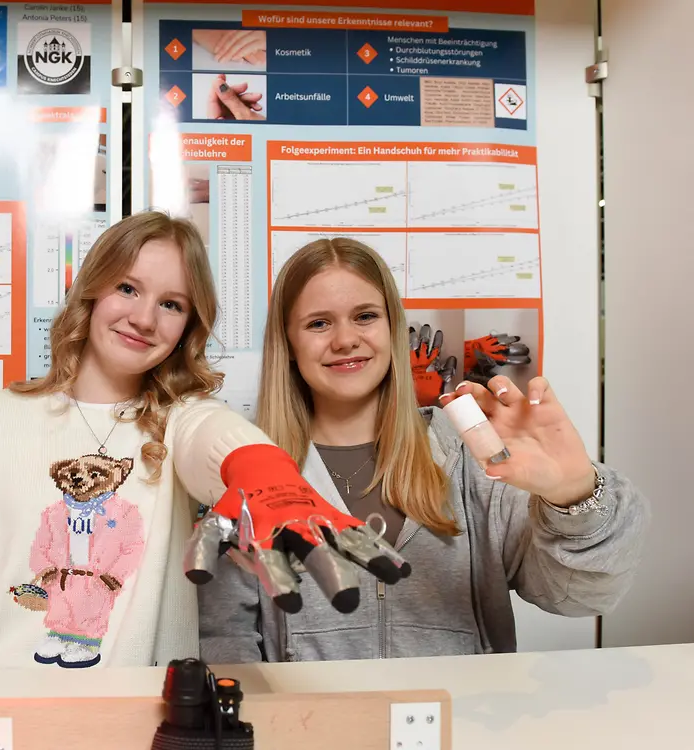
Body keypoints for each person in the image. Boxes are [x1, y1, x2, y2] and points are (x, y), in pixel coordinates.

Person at [0, 212, 381, 671]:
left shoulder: (181, 420)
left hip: (134, 727)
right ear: (92, 291)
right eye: (128, 288)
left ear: (188, 326)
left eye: (171, 304)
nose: (145, 319)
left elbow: (214, 438)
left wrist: (259, 467)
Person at [198, 237, 651, 663]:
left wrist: (573, 493)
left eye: (365, 316)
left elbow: (579, 596)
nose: (344, 339)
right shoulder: (249, 472)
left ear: (393, 329)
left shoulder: (469, 458)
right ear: (289, 344)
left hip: (466, 730)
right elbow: (225, 642)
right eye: (318, 323)